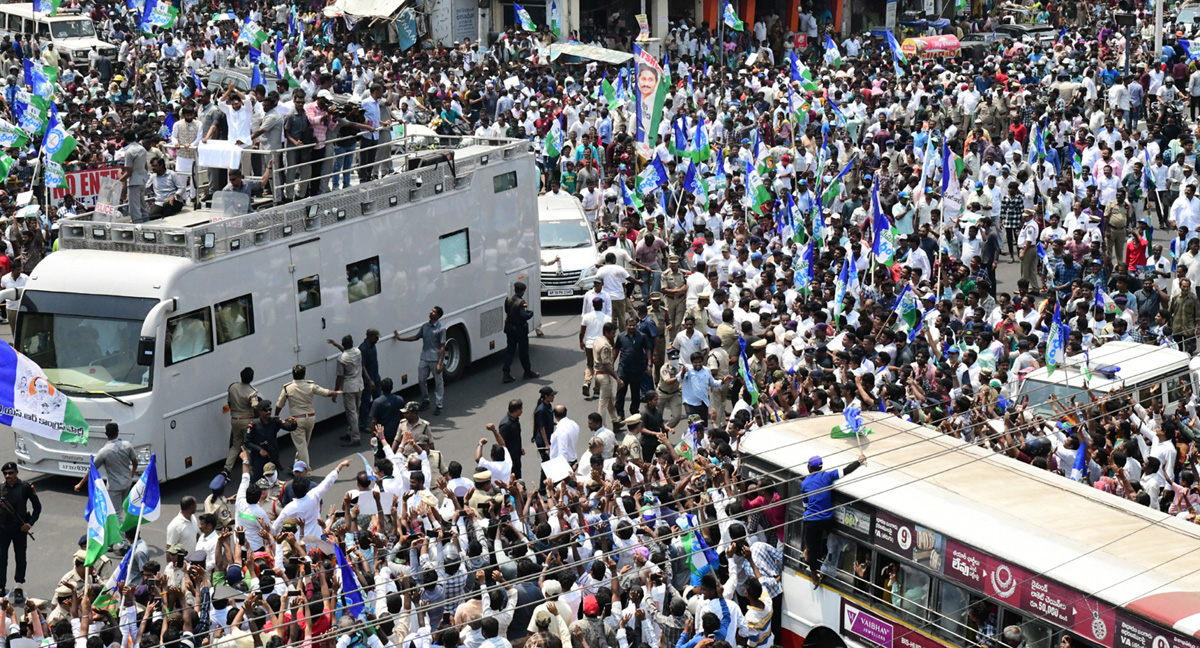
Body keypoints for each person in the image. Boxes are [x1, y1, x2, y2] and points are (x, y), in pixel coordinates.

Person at [800, 453, 865, 587]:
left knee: (811, 547)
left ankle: (814, 576)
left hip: (812, 521)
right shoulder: (827, 476)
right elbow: (845, 471)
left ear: (809, 468)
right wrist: (859, 462)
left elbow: (805, 505)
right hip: (827, 519)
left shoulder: (805, 483)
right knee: (823, 540)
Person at [275, 364, 341, 464]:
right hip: (310, 418)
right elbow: (326, 393)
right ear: (304, 375)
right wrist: (338, 392)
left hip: (296, 420)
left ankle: (306, 471)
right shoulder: (310, 385)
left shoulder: (287, 388)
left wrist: (276, 416)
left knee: (301, 446)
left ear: (293, 375)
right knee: (303, 445)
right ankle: (297, 465)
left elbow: (279, 404)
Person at [73, 423, 137, 521]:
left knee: (116, 513)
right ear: (118, 432)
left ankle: (122, 535)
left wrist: (80, 484)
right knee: (119, 509)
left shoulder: (104, 451)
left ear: (106, 434)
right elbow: (135, 463)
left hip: (114, 486)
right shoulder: (127, 445)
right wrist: (131, 474)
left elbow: (92, 470)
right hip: (127, 483)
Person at [394, 305, 448, 414]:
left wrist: (440, 363)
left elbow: (442, 347)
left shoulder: (441, 329)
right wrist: (400, 338)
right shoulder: (425, 326)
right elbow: (416, 337)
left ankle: (439, 405)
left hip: (435, 359)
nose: (430, 312)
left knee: (438, 383)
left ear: (437, 316)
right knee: (421, 379)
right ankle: (425, 400)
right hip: (424, 358)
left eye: (433, 312)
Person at [0, 462, 39, 602]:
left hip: (20, 529)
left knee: (20, 558)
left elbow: (37, 508)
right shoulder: (1, 489)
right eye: (5, 473)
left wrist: (30, 523)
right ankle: (1, 587)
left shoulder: (25, 487)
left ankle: (18, 586)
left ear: (16, 472)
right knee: (1, 558)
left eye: (10, 473)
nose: (8, 476)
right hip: (3, 529)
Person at [243, 399, 297, 481]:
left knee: (274, 479)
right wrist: (260, 450)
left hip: (272, 454)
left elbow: (288, 427)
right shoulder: (254, 425)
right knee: (257, 479)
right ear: (260, 411)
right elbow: (247, 442)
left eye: (270, 410)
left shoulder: (275, 421)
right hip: (259, 457)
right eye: (266, 410)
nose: (268, 412)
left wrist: (294, 424)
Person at [328, 334, 367, 446]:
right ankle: (351, 432)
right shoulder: (358, 352)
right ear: (352, 343)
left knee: (351, 414)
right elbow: (348, 352)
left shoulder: (341, 359)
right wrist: (336, 345)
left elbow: (339, 377)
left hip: (349, 387)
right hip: (359, 385)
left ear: (344, 345)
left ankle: (355, 438)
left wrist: (335, 392)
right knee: (356, 412)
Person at [502, 281, 538, 383]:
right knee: (523, 352)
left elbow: (506, 311)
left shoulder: (508, 299)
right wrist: (530, 313)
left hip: (509, 328)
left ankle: (506, 372)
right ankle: (527, 371)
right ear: (522, 291)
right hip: (520, 330)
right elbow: (524, 315)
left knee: (510, 351)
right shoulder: (522, 302)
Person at [225, 366, 258, 473]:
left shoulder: (233, 387)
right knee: (247, 446)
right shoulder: (252, 392)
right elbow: (255, 407)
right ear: (252, 378)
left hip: (234, 419)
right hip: (247, 420)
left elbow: (229, 402)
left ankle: (227, 468)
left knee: (235, 446)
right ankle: (248, 471)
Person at [1, 261, 27, 338]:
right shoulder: (5, 279)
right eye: (18, 270)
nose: (20, 271)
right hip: (11, 309)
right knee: (14, 329)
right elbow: (3, 290)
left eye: (20, 269)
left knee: (23, 329)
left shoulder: (25, 278)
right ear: (12, 270)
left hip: (22, 308)